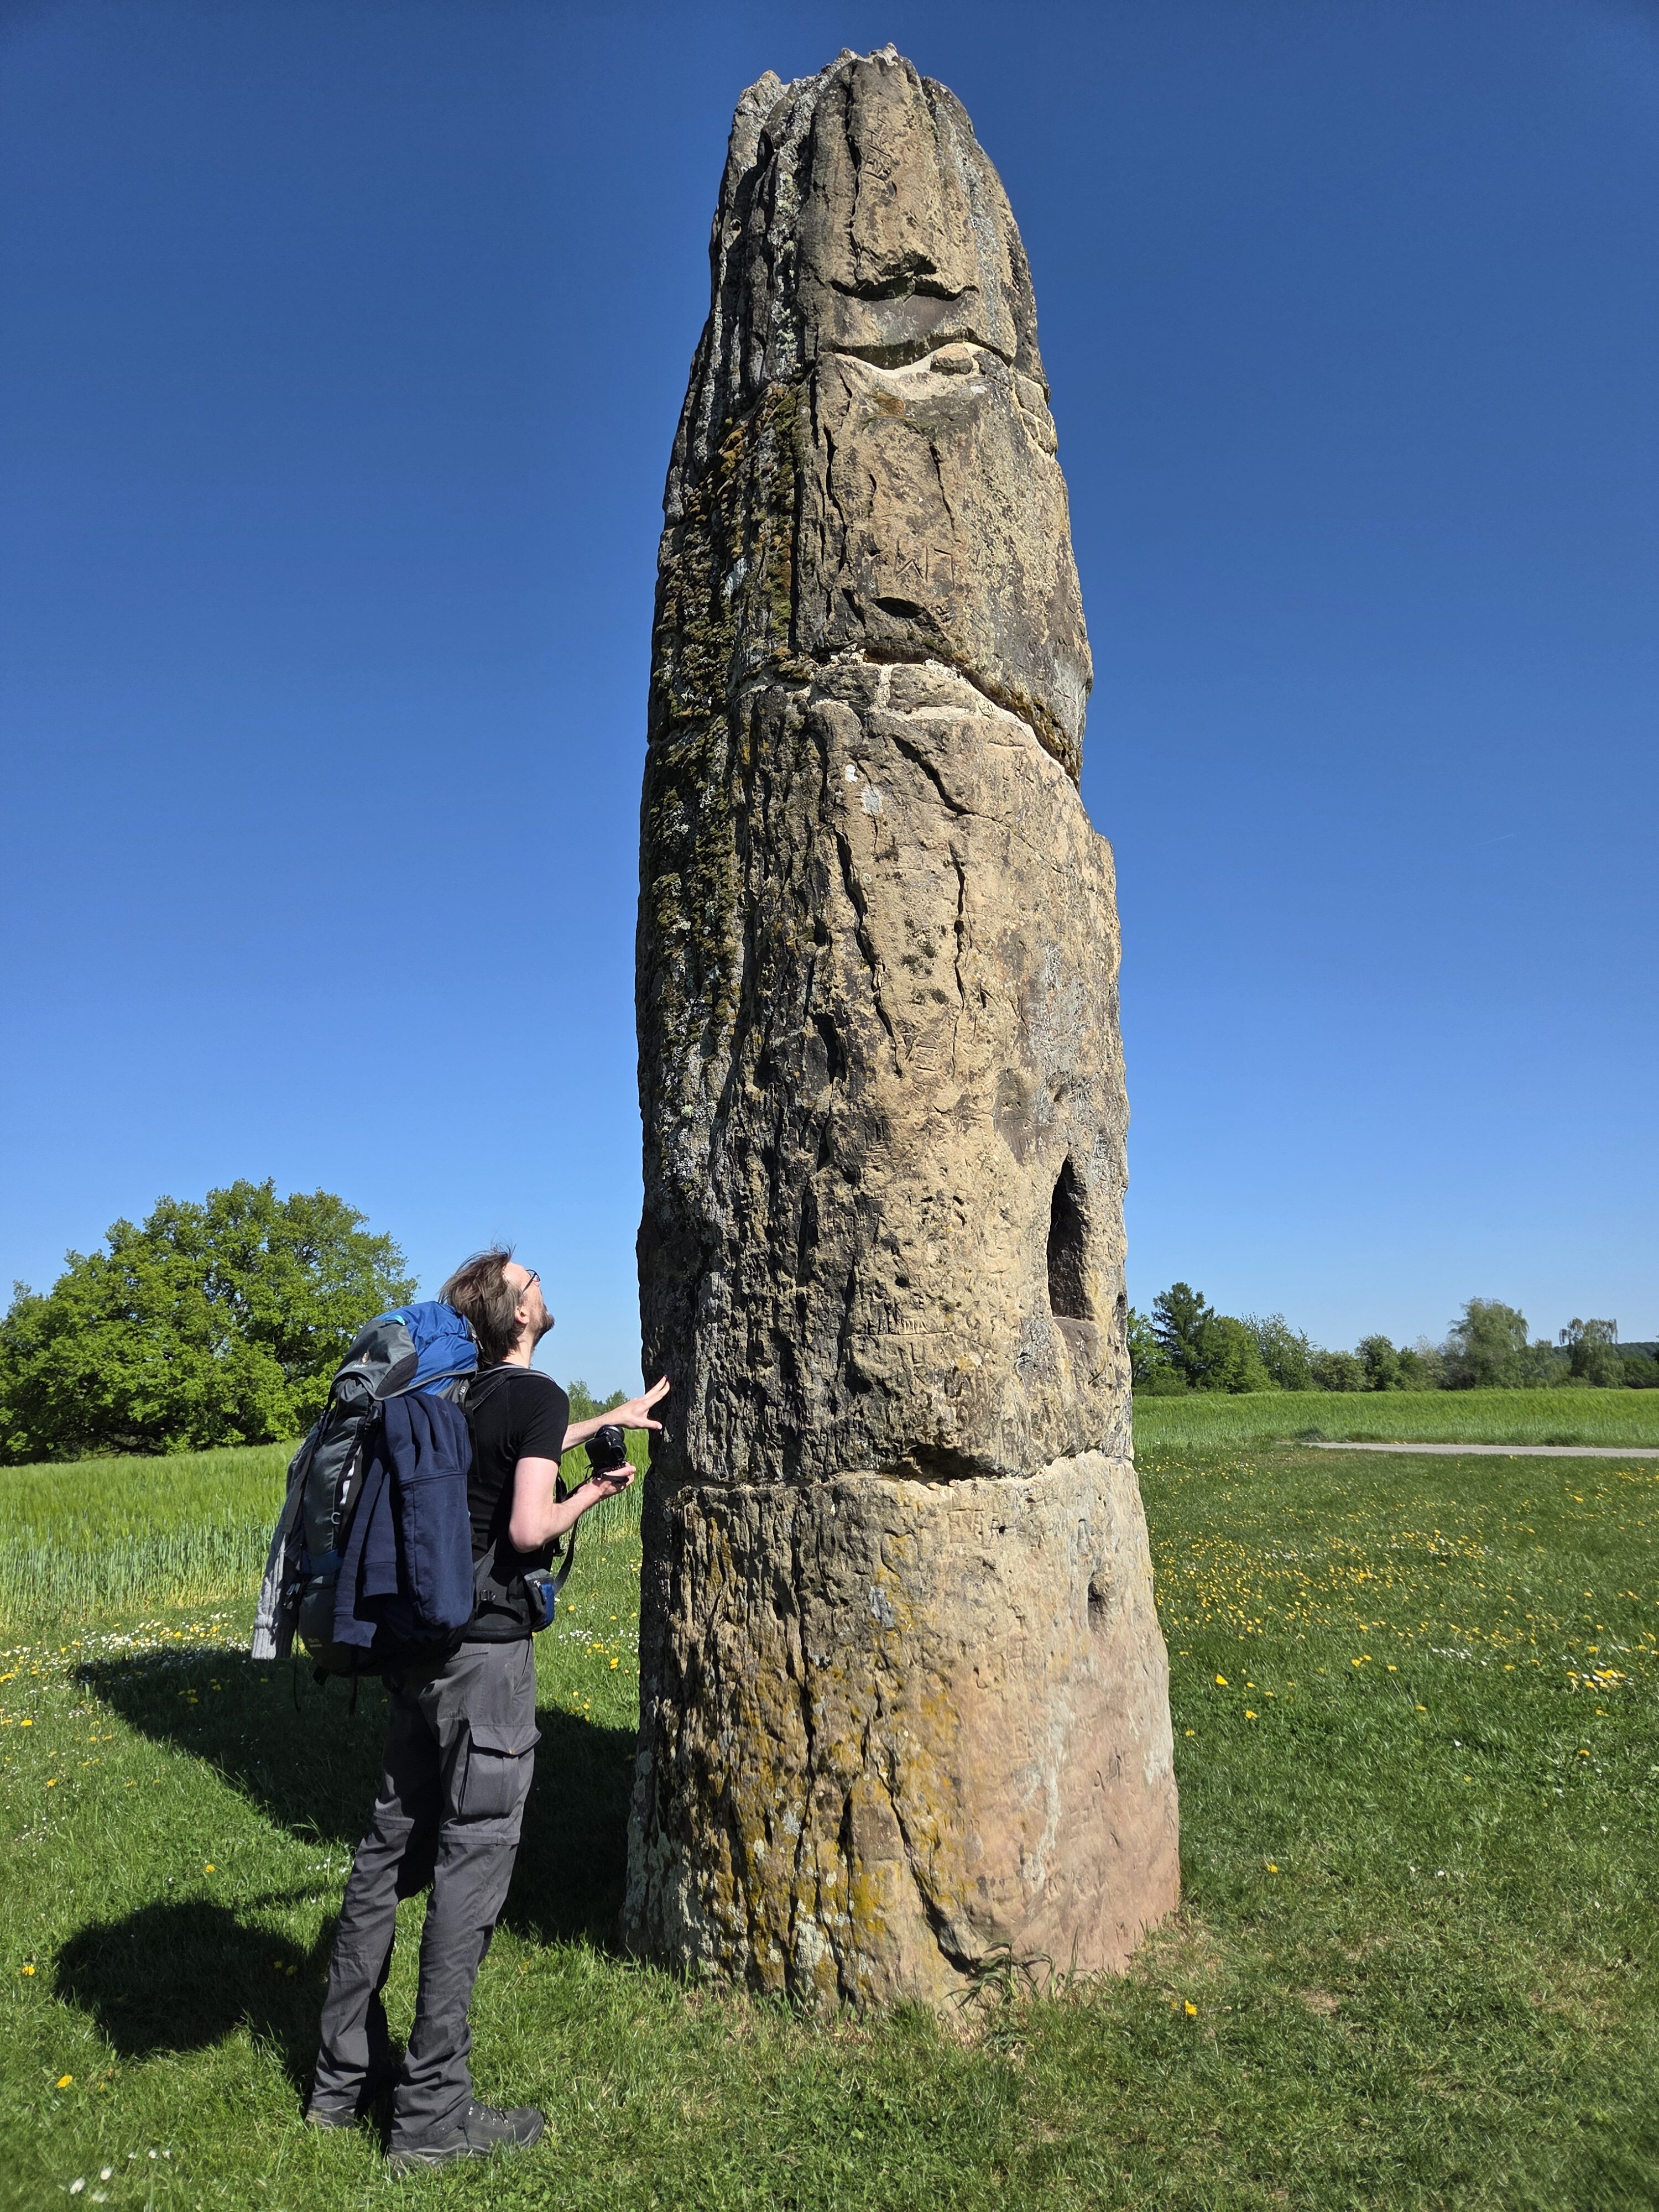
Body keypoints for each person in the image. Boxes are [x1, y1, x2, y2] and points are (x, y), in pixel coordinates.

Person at [306, 1249, 668, 2171]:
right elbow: (525, 1527)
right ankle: (432, 2120)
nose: (543, 1286)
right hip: (486, 1667)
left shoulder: (453, 1396)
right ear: (516, 1314)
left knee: (386, 1861)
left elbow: (512, 1449)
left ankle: (338, 2088)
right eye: (533, 1280)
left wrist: (604, 1421)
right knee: (470, 1874)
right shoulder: (531, 1394)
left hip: (417, 1653)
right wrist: (595, 1487)